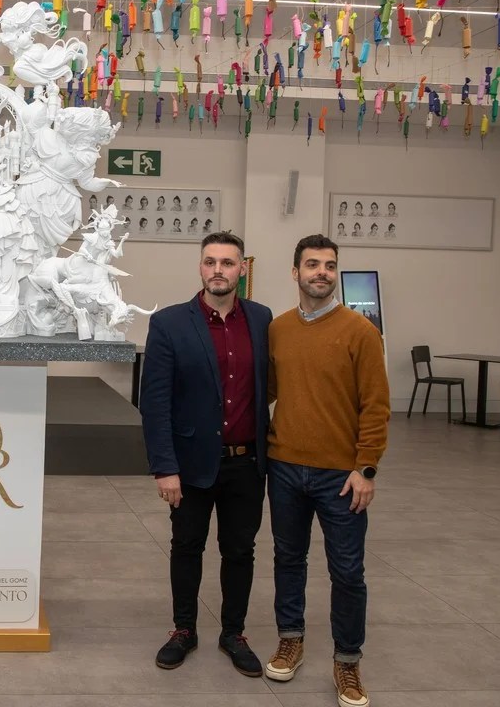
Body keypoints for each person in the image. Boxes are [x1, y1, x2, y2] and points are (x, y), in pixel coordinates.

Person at [263, 234, 390, 707]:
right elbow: (268, 393)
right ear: (294, 272)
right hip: (285, 469)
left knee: (348, 573)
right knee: (288, 560)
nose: (321, 272)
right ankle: (290, 638)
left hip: (341, 477)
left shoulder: (361, 331)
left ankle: (348, 662)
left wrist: (366, 468)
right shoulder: (277, 330)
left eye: (330, 265)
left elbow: (376, 406)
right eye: (312, 264)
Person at [141, 232, 273, 677]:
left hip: (247, 461)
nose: (219, 269)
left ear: (242, 270)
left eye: (228, 263)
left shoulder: (261, 319)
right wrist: (164, 467)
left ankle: (233, 633)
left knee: (240, 550)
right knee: (187, 546)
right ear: (200, 268)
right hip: (190, 463)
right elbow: (155, 402)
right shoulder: (169, 323)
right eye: (211, 261)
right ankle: (184, 630)